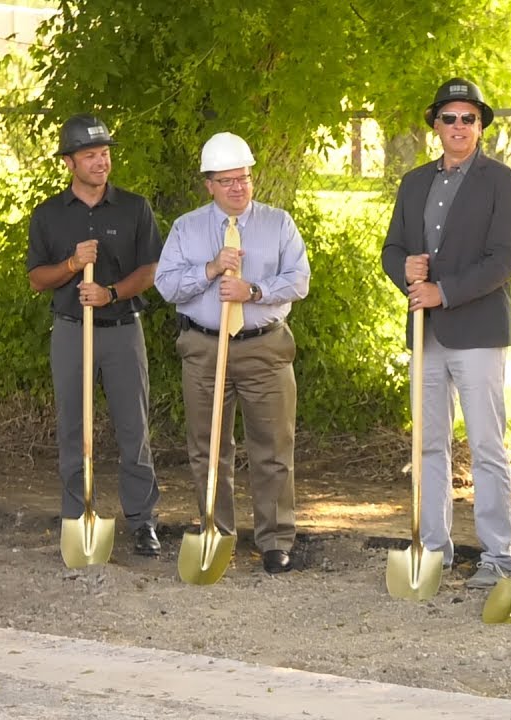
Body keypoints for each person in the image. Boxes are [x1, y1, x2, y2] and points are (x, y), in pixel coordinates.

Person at [380, 78, 511, 590]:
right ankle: (433, 548)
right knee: (428, 445)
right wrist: (405, 270)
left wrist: (444, 291)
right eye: (449, 118)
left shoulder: (501, 182)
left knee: (487, 446)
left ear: (480, 126)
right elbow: (393, 249)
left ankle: (498, 555)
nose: (459, 127)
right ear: (435, 126)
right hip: (426, 335)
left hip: (478, 332)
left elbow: (505, 258)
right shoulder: (415, 182)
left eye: (469, 118)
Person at [155, 132, 311, 574]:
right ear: (209, 184)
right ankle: (215, 532)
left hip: (265, 348)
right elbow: (166, 285)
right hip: (205, 347)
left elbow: (299, 280)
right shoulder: (186, 228)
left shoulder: (278, 223)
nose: (238, 188)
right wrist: (209, 270)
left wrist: (253, 290)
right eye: (227, 181)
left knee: (274, 447)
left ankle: (276, 540)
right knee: (207, 448)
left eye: (243, 178)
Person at [27, 114, 163, 558]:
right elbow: (36, 279)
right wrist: (71, 264)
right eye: (90, 155)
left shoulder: (135, 208)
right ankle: (76, 518)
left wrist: (110, 293)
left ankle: (143, 523)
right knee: (73, 430)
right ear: (69, 162)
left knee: (133, 430)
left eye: (104, 153)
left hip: (123, 332)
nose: (101, 162)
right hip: (70, 333)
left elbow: (150, 270)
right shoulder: (48, 215)